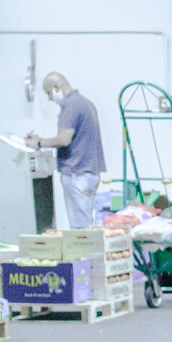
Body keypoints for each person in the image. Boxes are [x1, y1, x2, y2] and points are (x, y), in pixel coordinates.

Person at [26, 72, 107, 229]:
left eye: (49, 93)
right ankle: (86, 253)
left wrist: (38, 143)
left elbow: (64, 139)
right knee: (84, 225)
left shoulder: (70, 105)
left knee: (80, 229)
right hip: (88, 172)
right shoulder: (85, 103)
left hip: (77, 174)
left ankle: (85, 254)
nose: (49, 98)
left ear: (56, 87)